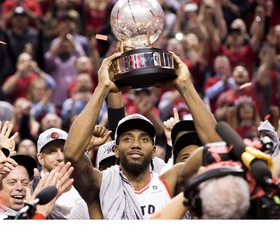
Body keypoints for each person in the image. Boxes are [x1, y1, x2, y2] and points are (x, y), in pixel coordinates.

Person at [64, 51, 221, 219]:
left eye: (144, 139)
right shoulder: (100, 185)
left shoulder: (171, 181)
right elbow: (72, 155)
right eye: (127, 138)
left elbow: (218, 148)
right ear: (116, 150)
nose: (136, 144)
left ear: (154, 151)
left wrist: (185, 85)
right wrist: (102, 88)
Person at [35, 127, 86, 219]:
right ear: (40, 158)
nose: (60, 157)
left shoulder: (84, 185)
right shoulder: (31, 189)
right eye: (52, 152)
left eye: (64, 150)